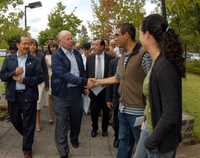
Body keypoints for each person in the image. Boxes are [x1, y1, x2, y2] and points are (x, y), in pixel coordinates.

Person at [87, 23, 151, 158]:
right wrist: (97, 81)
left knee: (142, 148)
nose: (114, 39)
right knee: (123, 144)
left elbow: (153, 83)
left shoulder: (144, 55)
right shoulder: (123, 54)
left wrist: (148, 111)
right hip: (122, 110)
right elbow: (117, 78)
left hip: (138, 113)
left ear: (126, 35)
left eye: (117, 35)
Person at [133, 14, 184, 158]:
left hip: (159, 139)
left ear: (148, 35)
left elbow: (171, 113)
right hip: (149, 128)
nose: (139, 36)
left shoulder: (165, 66)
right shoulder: (156, 62)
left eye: (140, 32)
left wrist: (151, 141)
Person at [0, 36, 44, 158]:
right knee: (15, 120)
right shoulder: (9, 59)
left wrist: (24, 79)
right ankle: (28, 136)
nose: (26, 46)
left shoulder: (34, 60)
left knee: (29, 123)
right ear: (18, 45)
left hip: (29, 96)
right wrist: (13, 73)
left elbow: (40, 78)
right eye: (24, 43)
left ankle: (27, 149)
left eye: (29, 44)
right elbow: (2, 76)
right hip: (13, 96)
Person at [51, 30, 90, 158]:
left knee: (76, 121)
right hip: (61, 94)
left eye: (71, 38)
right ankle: (63, 151)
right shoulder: (56, 56)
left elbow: (82, 71)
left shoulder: (77, 54)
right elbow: (63, 74)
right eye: (68, 38)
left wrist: (84, 86)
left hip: (76, 93)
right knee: (61, 123)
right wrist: (83, 81)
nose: (71, 40)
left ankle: (74, 137)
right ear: (60, 41)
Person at [86, 39, 112, 138]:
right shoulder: (90, 58)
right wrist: (87, 87)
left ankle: (104, 129)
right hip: (93, 89)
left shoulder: (110, 58)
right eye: (93, 45)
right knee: (94, 111)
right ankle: (94, 128)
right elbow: (87, 72)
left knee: (106, 111)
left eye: (96, 45)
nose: (93, 47)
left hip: (106, 89)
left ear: (102, 46)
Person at [29, 39, 49, 132]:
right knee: (29, 104)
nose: (32, 47)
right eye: (31, 45)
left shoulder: (41, 56)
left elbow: (45, 70)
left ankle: (37, 122)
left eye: (34, 45)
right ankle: (30, 121)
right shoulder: (25, 56)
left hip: (40, 83)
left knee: (38, 104)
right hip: (28, 83)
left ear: (37, 46)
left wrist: (47, 83)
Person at [45, 40, 59, 124]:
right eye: (51, 47)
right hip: (50, 79)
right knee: (50, 98)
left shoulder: (60, 56)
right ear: (49, 48)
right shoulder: (46, 57)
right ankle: (50, 117)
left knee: (58, 98)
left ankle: (58, 115)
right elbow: (50, 67)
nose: (53, 48)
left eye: (54, 46)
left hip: (59, 79)